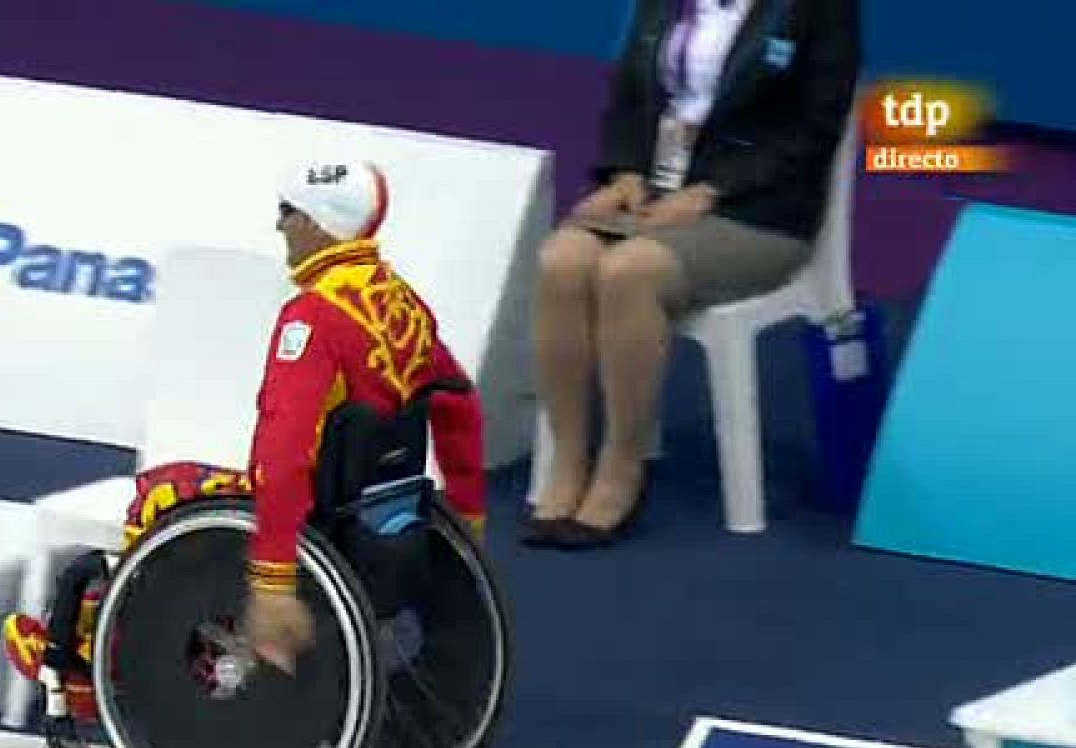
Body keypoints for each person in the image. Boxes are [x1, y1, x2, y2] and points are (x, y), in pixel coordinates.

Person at [119, 161, 487, 674]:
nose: (279, 225)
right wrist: (468, 520)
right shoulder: (403, 305)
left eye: (286, 212)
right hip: (380, 508)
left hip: (318, 515)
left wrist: (273, 579)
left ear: (319, 222)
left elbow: (284, 451)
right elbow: (459, 405)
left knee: (159, 493)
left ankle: (103, 661)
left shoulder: (314, 319)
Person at [525, 0, 860, 548]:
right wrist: (626, 172)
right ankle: (567, 461)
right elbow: (633, 93)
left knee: (628, 272)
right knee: (562, 259)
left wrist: (712, 191)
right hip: (656, 196)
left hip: (758, 212)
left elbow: (814, 128)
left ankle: (622, 465)